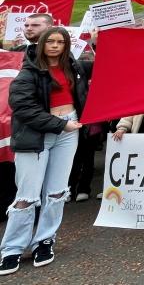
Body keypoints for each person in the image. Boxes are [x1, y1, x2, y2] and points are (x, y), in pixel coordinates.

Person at [0, 27, 90, 276]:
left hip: (68, 131)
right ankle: (12, 248)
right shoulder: (28, 72)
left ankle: (45, 240)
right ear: (41, 44)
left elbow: (108, 66)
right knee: (27, 194)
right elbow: (22, 106)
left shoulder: (75, 67)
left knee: (56, 191)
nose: (54, 45)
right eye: (50, 41)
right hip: (38, 134)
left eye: (60, 42)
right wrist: (61, 125)